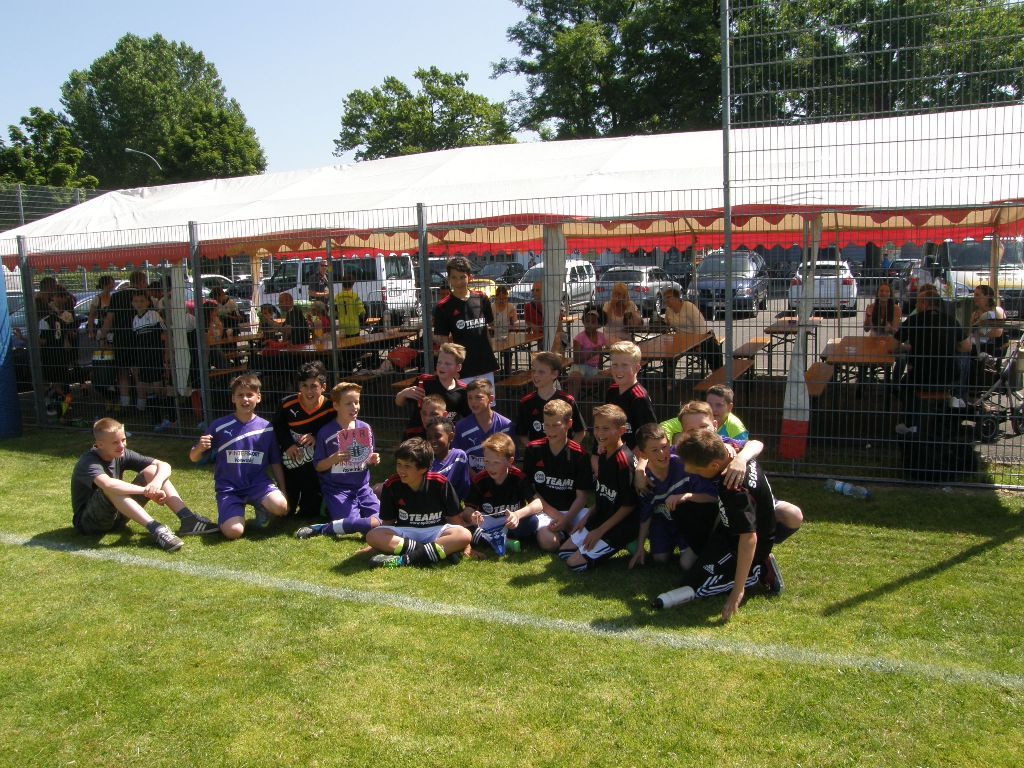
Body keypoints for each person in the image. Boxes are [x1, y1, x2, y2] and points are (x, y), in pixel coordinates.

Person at [659, 428, 786, 622]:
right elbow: (755, 443)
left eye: (695, 469)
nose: (688, 470)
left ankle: (759, 569)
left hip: (747, 544)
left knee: (698, 587)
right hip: (728, 530)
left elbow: (749, 538)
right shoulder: (732, 452)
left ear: (714, 465)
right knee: (682, 511)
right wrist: (741, 457)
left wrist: (737, 591)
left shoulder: (733, 488)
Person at [71, 417, 217, 551]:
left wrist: (155, 484)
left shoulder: (122, 453)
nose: (122, 446)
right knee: (111, 487)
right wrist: (146, 491)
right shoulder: (88, 462)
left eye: (123, 440)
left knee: (153, 470)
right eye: (115, 442)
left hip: (118, 516)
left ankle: (188, 519)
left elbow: (164, 465)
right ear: (100, 445)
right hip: (90, 523)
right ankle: (157, 529)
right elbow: (108, 485)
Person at [189, 374, 289, 540]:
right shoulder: (219, 426)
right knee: (234, 532)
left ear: (258, 397)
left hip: (258, 484)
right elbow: (193, 457)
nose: (245, 399)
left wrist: (283, 490)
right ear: (233, 398)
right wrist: (199, 448)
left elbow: (275, 462)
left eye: (250, 395)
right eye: (240, 395)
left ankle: (262, 507)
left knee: (281, 507)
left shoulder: (266, 428)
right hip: (229, 488)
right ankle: (229, 514)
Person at [295, 381, 382, 540]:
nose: (354, 407)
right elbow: (318, 466)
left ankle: (356, 523)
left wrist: (372, 459)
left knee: (384, 520)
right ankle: (323, 528)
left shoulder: (365, 428)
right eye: (348, 404)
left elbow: (367, 457)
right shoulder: (326, 433)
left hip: (362, 488)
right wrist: (333, 459)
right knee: (354, 526)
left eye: (357, 402)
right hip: (338, 490)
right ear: (336, 406)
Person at [365, 438, 471, 568]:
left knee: (464, 535)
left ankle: (403, 560)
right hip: (405, 533)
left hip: (436, 532)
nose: (401, 470)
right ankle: (438, 551)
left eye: (407, 466)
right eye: (399, 464)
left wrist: (467, 545)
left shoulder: (440, 483)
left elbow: (455, 520)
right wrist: (376, 545)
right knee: (372, 536)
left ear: (423, 468)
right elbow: (388, 523)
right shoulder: (391, 485)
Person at [557, 404, 638, 572]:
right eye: (597, 427)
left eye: (606, 429)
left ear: (622, 431)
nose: (600, 433)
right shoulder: (603, 452)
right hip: (602, 516)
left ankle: (626, 541)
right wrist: (587, 518)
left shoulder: (624, 462)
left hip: (622, 524)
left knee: (574, 564)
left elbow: (629, 505)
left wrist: (599, 531)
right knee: (564, 552)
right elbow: (603, 494)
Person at [521, 399, 594, 551]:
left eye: (556, 425)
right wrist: (558, 517)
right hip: (545, 510)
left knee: (594, 525)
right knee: (549, 542)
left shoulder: (580, 455)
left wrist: (567, 519)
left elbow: (582, 497)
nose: (550, 430)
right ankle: (567, 536)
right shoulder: (533, 449)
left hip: (573, 511)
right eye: (546, 425)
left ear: (569, 424)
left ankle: (569, 535)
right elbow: (529, 489)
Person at [272, 361, 336, 518]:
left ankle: (310, 507)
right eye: (304, 386)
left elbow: (333, 429)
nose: (309, 391)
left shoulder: (330, 407)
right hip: (291, 457)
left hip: (314, 460)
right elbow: (278, 426)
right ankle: (289, 505)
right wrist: (288, 444)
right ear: (299, 386)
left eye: (314, 386)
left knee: (310, 510)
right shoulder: (287, 404)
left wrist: (316, 437)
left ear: (323, 387)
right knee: (286, 510)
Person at [462, 433, 540, 557]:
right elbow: (467, 510)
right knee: (464, 529)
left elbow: (538, 504)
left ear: (510, 461)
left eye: (496, 462)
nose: (490, 467)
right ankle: (502, 540)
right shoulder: (480, 480)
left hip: (510, 522)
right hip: (487, 521)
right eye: (486, 461)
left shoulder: (519, 477)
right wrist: (472, 516)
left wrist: (517, 515)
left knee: (532, 522)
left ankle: (493, 538)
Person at [895, 284, 971, 395]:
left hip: (920, 376)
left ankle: (911, 405)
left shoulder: (913, 320)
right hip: (949, 377)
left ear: (925, 303)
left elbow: (893, 344)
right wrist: (947, 345)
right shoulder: (951, 321)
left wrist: (907, 347)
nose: (916, 305)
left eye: (918, 302)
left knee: (903, 387)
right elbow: (967, 347)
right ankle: (956, 399)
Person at [433, 256, 498, 385]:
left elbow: (487, 330)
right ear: (449, 279)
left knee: (487, 398)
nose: (458, 282)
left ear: (470, 277)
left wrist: (492, 358)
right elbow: (443, 343)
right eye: (454, 277)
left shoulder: (482, 298)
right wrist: (451, 368)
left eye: (462, 277)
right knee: (465, 398)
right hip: (462, 369)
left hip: (485, 365)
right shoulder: (443, 306)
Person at [395, 342, 469, 437]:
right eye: (439, 362)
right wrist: (403, 393)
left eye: (447, 364)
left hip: (442, 439)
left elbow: (467, 417)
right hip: (417, 438)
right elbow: (399, 402)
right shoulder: (424, 382)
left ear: (458, 367)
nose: (442, 366)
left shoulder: (463, 390)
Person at [515, 351, 586, 448]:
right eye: (533, 371)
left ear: (554, 374)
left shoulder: (567, 401)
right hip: (538, 456)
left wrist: (568, 450)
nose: (535, 375)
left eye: (541, 372)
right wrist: (533, 451)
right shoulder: (526, 402)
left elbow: (580, 432)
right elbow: (522, 434)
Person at [100, 270, 148, 410]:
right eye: (145, 282)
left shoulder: (116, 296)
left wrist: (103, 336)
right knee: (139, 372)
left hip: (121, 338)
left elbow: (109, 319)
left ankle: (125, 403)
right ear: (141, 282)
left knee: (122, 372)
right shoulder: (143, 296)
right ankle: (141, 404)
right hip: (139, 337)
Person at [130, 290, 174, 430]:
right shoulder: (135, 319)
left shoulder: (153, 315)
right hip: (143, 359)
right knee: (147, 389)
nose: (139, 304)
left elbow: (166, 334)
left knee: (159, 388)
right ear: (132, 304)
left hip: (155, 357)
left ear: (148, 302)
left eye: (142, 301)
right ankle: (156, 421)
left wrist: (166, 355)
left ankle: (171, 418)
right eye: (136, 301)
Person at [604, 340, 657, 450]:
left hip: (630, 456)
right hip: (610, 450)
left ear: (637, 368)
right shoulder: (612, 391)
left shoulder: (639, 398)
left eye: (624, 365)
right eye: (615, 364)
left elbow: (648, 437)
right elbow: (604, 423)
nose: (619, 370)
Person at [454, 378, 515, 473]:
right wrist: (476, 478)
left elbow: (511, 459)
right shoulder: (461, 427)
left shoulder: (505, 425)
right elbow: (459, 459)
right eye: (470, 398)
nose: (473, 401)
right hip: (472, 480)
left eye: (478, 397)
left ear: (491, 399)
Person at [660, 287, 723, 372]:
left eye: (668, 297)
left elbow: (699, 326)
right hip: (683, 340)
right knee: (668, 354)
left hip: (703, 336)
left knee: (712, 351)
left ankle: (718, 374)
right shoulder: (668, 310)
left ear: (677, 298)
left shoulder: (688, 306)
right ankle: (668, 378)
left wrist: (698, 345)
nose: (666, 300)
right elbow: (667, 324)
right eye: (664, 298)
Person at [425, 417, 472, 501]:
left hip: (452, 505)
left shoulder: (459, 457)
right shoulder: (424, 460)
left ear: (451, 436)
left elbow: (464, 488)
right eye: (429, 438)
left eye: (437, 436)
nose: (433, 441)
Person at [492, 285, 518, 373]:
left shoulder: (510, 306)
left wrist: (511, 318)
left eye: (504, 298)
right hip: (494, 334)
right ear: (496, 297)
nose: (502, 300)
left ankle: (507, 373)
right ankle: (494, 370)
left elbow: (514, 324)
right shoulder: (492, 307)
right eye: (500, 298)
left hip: (507, 334)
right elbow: (489, 323)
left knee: (507, 352)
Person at [86, 275, 116, 341]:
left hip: (114, 330)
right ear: (105, 285)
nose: (114, 285)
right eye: (112, 283)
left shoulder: (114, 298)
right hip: (102, 330)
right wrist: (91, 332)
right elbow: (91, 316)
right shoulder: (97, 299)